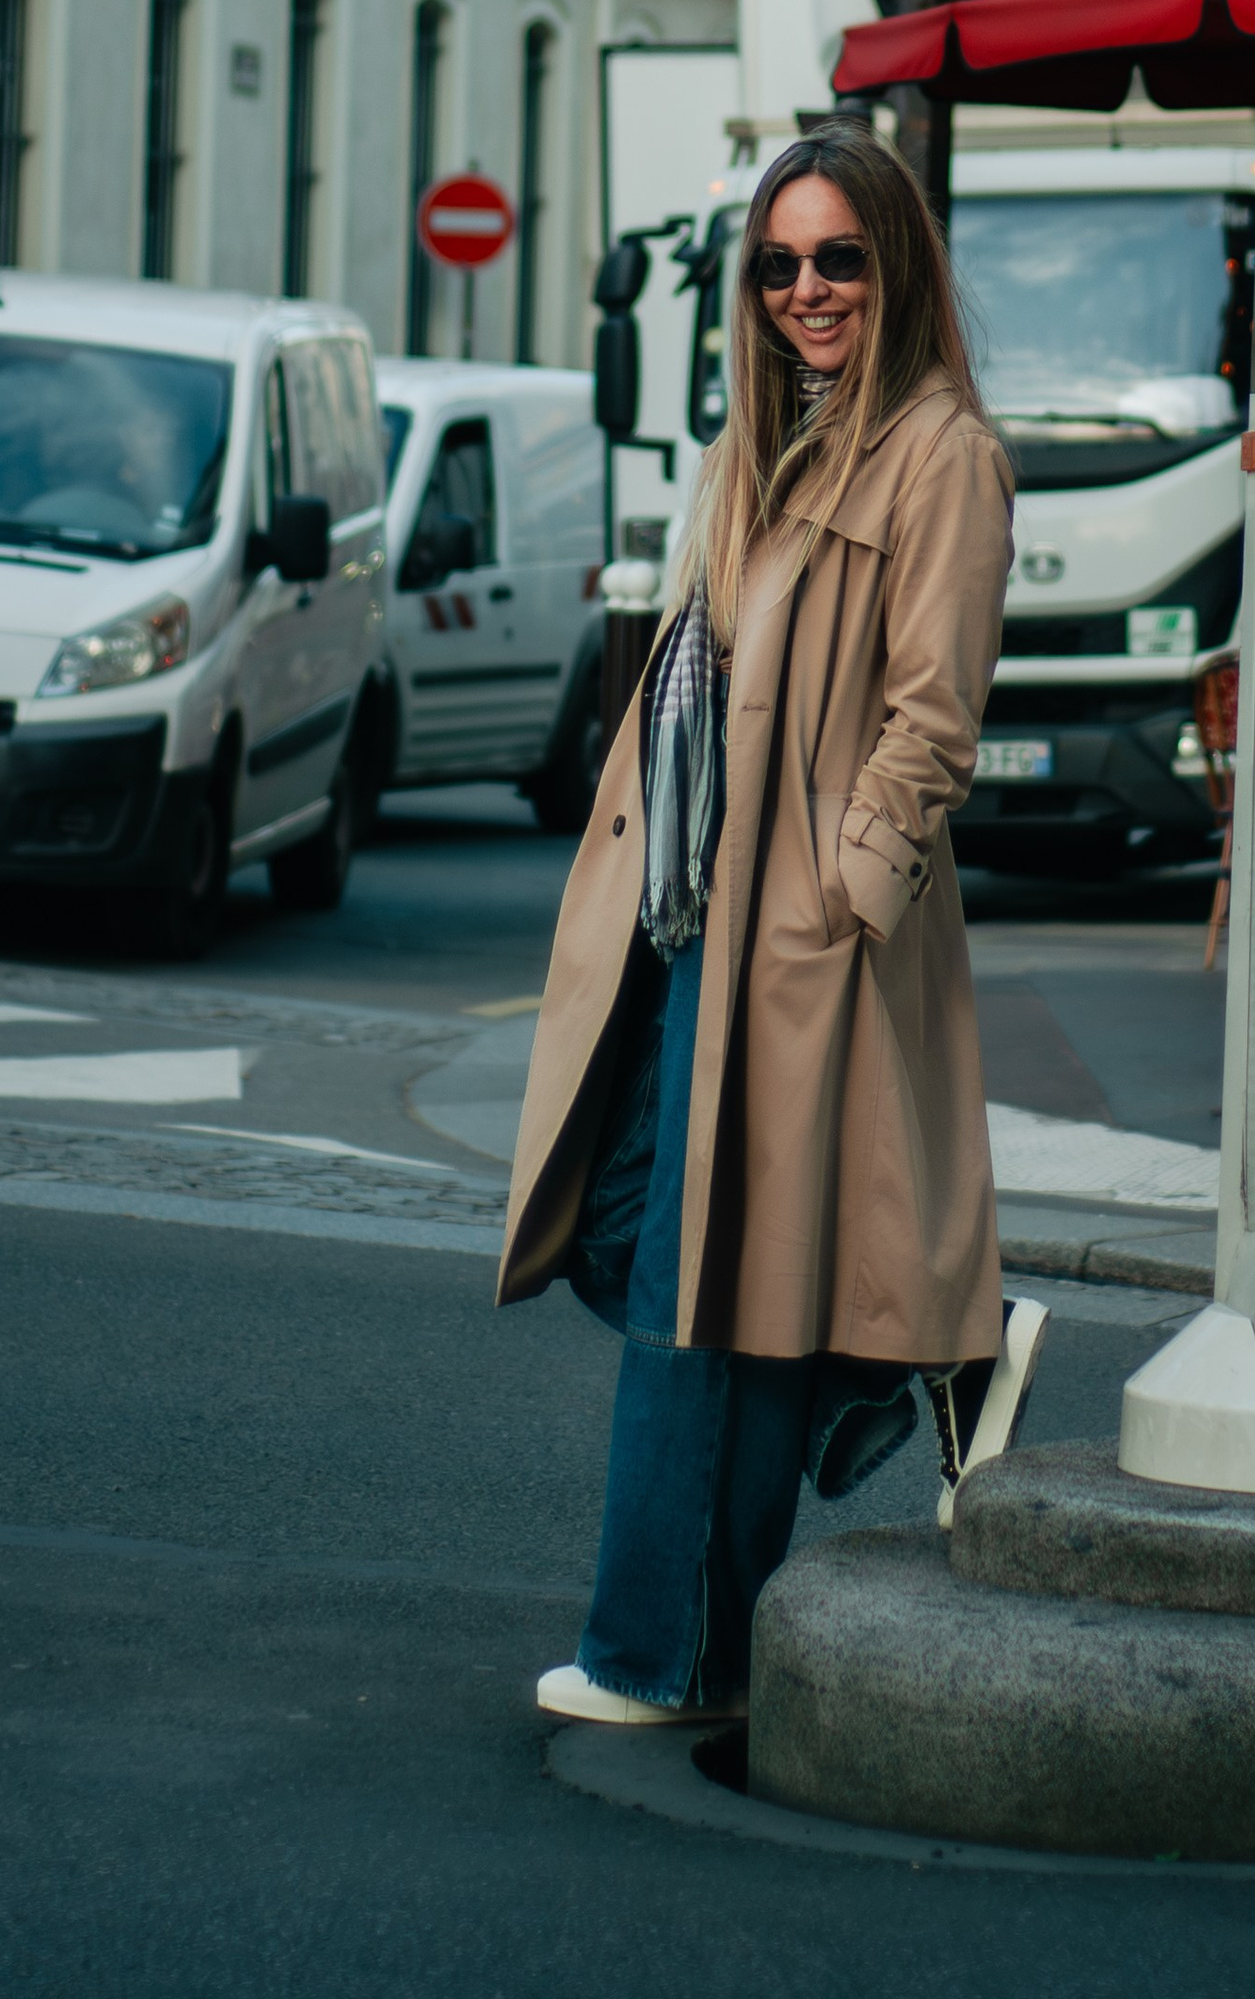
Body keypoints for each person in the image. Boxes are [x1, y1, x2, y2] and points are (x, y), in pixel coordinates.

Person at [500, 122, 1048, 1727]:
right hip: (697, 927)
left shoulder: (941, 450)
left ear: (899, 269)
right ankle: (909, 1364)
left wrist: (833, 906)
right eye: (780, 263)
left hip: (801, 946)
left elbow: (934, 717)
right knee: (652, 1249)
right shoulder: (779, 441)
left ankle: (650, 1655)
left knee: (697, 1296)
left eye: (840, 260)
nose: (808, 290)